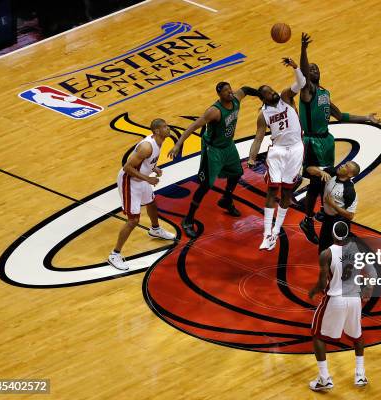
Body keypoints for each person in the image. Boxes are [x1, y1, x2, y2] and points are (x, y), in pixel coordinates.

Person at [297, 32, 381, 245]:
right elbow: (305, 74)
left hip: (326, 141)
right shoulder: (307, 91)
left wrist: (366, 119)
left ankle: (322, 212)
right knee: (316, 182)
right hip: (312, 141)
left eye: (317, 68)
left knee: (328, 179)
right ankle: (307, 220)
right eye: (311, 68)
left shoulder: (325, 93)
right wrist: (304, 50)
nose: (313, 70)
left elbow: (340, 115)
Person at [168, 82, 260, 238]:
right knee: (205, 185)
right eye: (225, 91)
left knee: (237, 172)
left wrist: (260, 94)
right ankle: (188, 220)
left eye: (229, 89)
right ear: (219, 95)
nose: (229, 92)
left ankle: (226, 199)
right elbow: (194, 126)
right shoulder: (215, 111)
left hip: (228, 145)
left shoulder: (236, 99)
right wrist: (178, 144)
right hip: (214, 149)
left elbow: (245, 89)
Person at [308, 221, 376, 391]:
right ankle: (360, 374)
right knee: (357, 336)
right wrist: (368, 289)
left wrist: (313, 291)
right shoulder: (357, 250)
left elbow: (323, 283)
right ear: (347, 234)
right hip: (354, 299)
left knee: (317, 334)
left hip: (335, 299)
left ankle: (324, 378)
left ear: (332, 235)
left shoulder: (326, 253)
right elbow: (373, 272)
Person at [248, 57, 306, 251]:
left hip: (296, 148)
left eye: (272, 91)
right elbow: (258, 138)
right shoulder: (263, 114)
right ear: (263, 98)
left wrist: (295, 67)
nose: (273, 93)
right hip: (277, 151)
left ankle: (275, 232)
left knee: (288, 191)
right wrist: (251, 157)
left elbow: (302, 83)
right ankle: (266, 233)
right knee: (272, 190)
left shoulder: (286, 98)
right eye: (268, 93)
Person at [108, 118, 176, 271]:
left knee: (152, 203)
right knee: (133, 220)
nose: (168, 128)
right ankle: (114, 254)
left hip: (141, 178)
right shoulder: (146, 146)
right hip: (129, 181)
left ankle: (155, 229)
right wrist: (149, 179)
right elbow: (127, 168)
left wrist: (155, 168)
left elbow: (146, 162)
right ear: (157, 131)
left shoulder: (160, 142)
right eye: (165, 127)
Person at [305, 161, 360, 253]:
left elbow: (350, 215)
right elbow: (308, 169)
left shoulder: (349, 191)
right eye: (344, 164)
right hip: (327, 219)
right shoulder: (332, 172)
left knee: (337, 253)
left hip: (339, 221)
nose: (342, 165)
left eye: (346, 166)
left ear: (350, 174)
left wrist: (333, 205)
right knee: (322, 249)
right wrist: (320, 172)